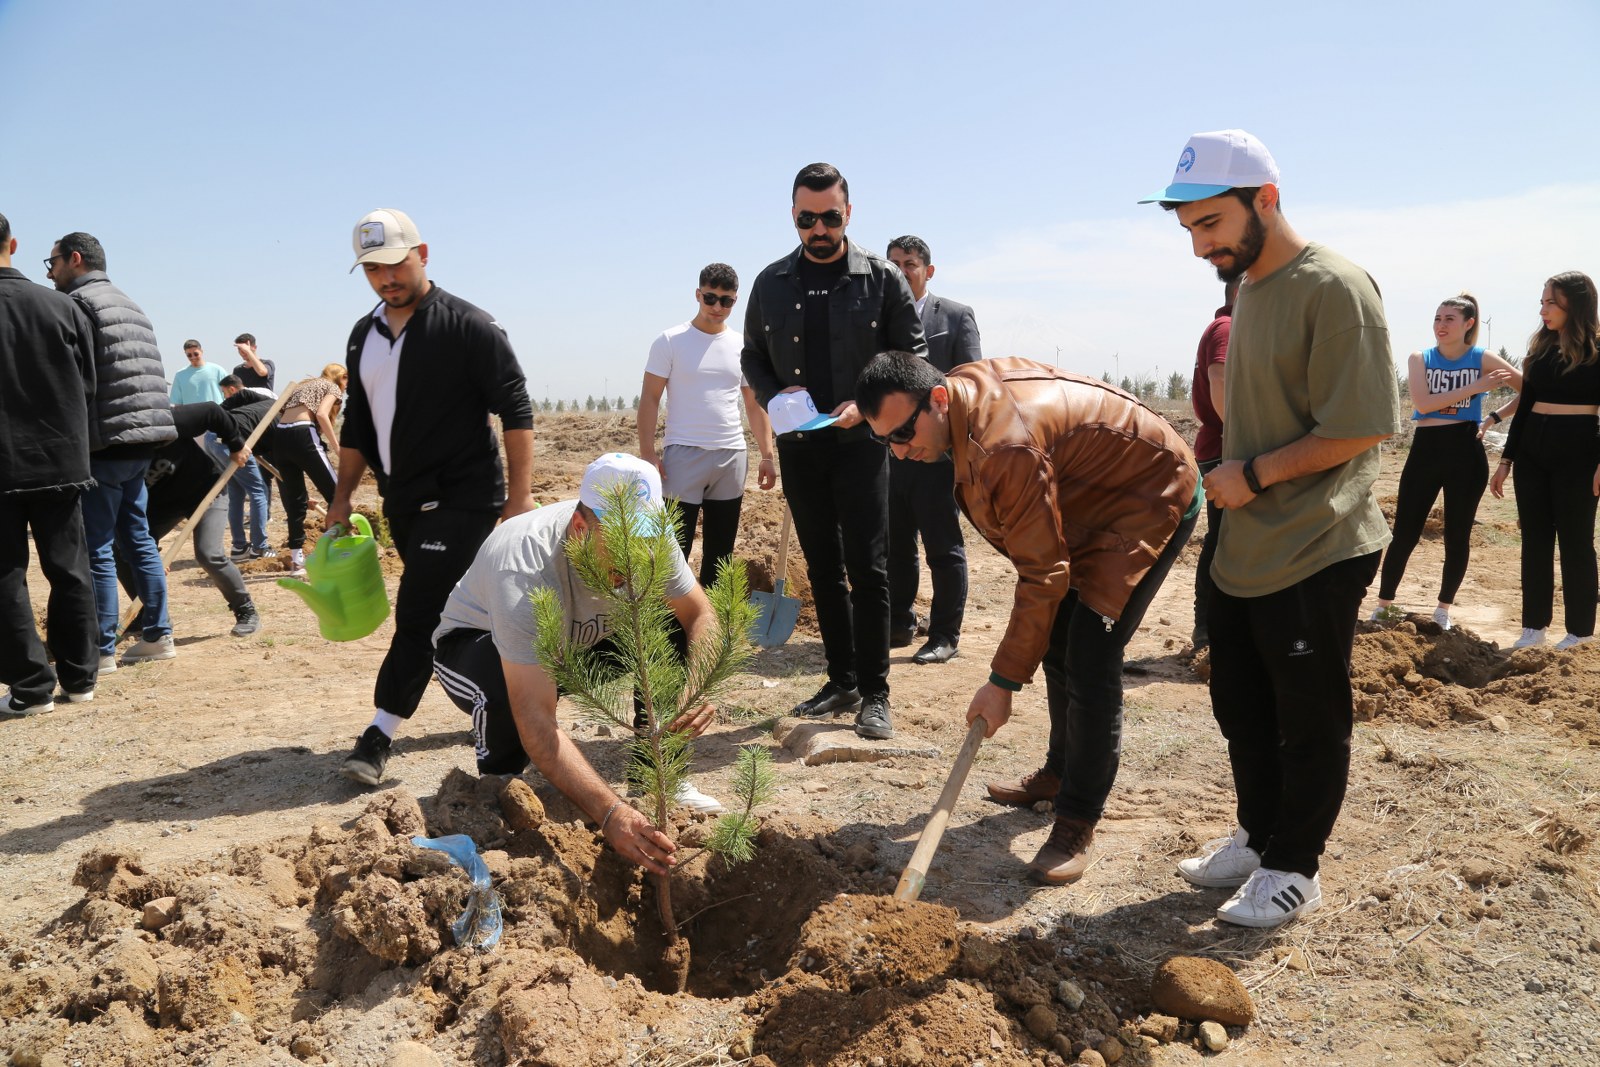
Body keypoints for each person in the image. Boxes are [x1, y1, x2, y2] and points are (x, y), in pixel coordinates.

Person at [1141, 129, 1398, 928]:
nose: (1198, 246)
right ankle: (1258, 836)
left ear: (1266, 200)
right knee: (1239, 700)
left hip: (1316, 539)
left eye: (1210, 224)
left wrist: (1251, 476)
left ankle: (1296, 865)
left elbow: (1360, 426)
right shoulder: (1248, 287)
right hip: (1245, 531)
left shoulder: (1336, 288)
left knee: (1307, 712)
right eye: (1189, 230)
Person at [857, 353, 1199, 884]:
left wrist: (1002, 682)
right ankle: (1060, 773)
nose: (900, 454)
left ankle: (1076, 821)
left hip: (1150, 494)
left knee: (1090, 653)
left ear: (939, 398)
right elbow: (1045, 568)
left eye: (903, 433)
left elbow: (1042, 574)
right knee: (1062, 637)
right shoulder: (960, 412)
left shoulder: (1005, 444)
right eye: (886, 441)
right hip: (1088, 501)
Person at [328, 208, 535, 786]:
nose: (385, 278)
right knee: (471, 608)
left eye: (394, 264)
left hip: (463, 496)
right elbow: (359, 427)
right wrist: (342, 498)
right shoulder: (362, 335)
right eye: (372, 269)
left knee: (417, 611)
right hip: (401, 500)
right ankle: (512, 693)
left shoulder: (469, 326)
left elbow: (515, 409)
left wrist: (518, 499)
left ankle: (378, 733)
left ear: (422, 255)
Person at [433, 454, 727, 842]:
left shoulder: (652, 537)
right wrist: (610, 813)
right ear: (579, 528)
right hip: (474, 651)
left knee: (668, 623)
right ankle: (502, 788)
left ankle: (658, 775)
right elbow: (535, 714)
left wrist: (699, 682)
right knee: (502, 683)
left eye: (645, 540)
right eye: (622, 544)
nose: (636, 558)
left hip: (572, 647)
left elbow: (699, 614)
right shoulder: (523, 567)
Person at [740, 163, 925, 741]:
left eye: (829, 217)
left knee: (867, 570)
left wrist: (868, 406)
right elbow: (752, 358)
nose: (817, 228)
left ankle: (875, 691)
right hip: (802, 446)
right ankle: (841, 677)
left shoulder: (882, 278)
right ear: (792, 215)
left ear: (849, 212)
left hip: (861, 444)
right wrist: (774, 397)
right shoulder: (771, 282)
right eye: (806, 218)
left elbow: (912, 356)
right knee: (821, 567)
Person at [47, 231, 180, 669]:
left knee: (99, 548)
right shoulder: (128, 302)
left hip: (105, 440)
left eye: (53, 264)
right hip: (142, 441)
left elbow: (74, 376)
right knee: (138, 540)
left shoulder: (80, 304)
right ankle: (159, 634)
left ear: (75, 259)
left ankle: (103, 648)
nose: (50, 274)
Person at [1371, 294, 1520, 631]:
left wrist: (1493, 416)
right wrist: (1477, 387)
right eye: (1437, 318)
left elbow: (1530, 389)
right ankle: (1383, 606)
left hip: (1466, 450)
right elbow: (1423, 403)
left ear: (1468, 324)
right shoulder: (1419, 358)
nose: (1440, 325)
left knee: (1457, 535)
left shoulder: (1482, 358)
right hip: (1425, 449)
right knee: (1405, 532)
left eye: (1449, 319)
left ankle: (1443, 610)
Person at [0, 212, 99, 714]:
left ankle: (30, 688)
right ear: (13, 244)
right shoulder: (61, 306)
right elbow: (87, 385)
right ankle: (80, 679)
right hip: (61, 459)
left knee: (6, 577)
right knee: (69, 569)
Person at [638, 263, 776, 586]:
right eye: (710, 298)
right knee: (673, 551)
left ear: (736, 301)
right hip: (682, 457)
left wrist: (767, 455)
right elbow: (649, 399)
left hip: (731, 458)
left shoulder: (744, 347)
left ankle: (710, 631)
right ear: (697, 294)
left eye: (726, 301)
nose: (717, 307)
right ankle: (669, 632)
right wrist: (647, 452)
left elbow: (754, 405)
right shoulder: (669, 341)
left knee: (720, 554)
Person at [1489, 272, 1600, 651]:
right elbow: (1525, 410)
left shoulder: (1598, 350)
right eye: (1542, 302)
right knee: (1534, 542)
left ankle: (1580, 633)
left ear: (1576, 304)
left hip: (1580, 455)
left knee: (1576, 543)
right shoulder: (1538, 350)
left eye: (1551, 302)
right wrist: (1506, 460)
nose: (1543, 310)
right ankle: (1533, 628)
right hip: (1533, 454)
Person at [884, 235, 981, 665]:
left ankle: (944, 634)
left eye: (909, 264)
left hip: (938, 455)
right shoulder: (877, 318)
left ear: (928, 270)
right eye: (894, 264)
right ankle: (899, 622)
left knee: (942, 546)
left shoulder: (956, 318)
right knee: (896, 543)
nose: (901, 271)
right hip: (891, 454)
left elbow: (971, 385)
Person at [121, 398, 272, 638]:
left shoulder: (162, 423)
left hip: (206, 490)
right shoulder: (112, 455)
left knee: (208, 553)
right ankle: (148, 616)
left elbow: (212, 411)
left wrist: (235, 445)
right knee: (123, 551)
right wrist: (151, 552)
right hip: (161, 506)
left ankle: (245, 610)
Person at [1189, 277, 1236, 650]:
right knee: (1222, 539)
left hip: (1224, 445)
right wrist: (1241, 436)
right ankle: (1205, 626)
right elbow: (1218, 376)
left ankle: (1214, 624)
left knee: (1228, 538)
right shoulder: (1227, 327)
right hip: (1226, 446)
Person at [275, 364, 346, 579]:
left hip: (280, 438)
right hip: (302, 435)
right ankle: (340, 554)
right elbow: (323, 415)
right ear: (341, 377)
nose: (346, 387)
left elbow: (281, 410)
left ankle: (297, 563)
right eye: (346, 381)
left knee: (295, 501)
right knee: (337, 495)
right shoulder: (331, 387)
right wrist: (337, 447)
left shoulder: (303, 386)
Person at [224, 333, 276, 560]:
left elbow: (263, 373)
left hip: (254, 432)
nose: (241, 354)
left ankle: (240, 547)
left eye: (245, 348)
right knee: (257, 491)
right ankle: (259, 546)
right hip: (243, 434)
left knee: (245, 490)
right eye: (239, 350)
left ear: (255, 346)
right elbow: (237, 395)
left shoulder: (266, 364)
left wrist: (250, 354)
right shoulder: (239, 373)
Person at [169, 340, 226, 405]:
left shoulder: (218, 370)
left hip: (216, 414)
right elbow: (176, 403)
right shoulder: (180, 375)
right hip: (191, 415)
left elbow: (230, 396)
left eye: (196, 354)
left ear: (201, 351)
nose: (193, 357)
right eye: (189, 355)